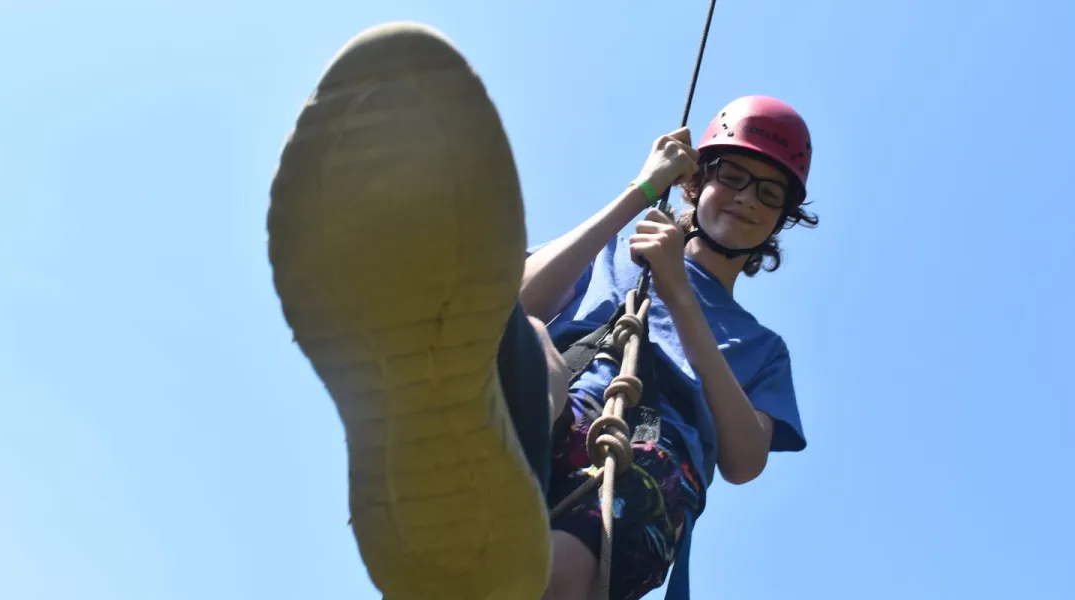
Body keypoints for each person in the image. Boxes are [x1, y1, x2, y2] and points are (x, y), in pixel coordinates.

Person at [266, 22, 815, 600]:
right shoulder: (614, 251)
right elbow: (511, 302)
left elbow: (744, 459)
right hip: (547, 409)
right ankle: (446, 461)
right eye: (732, 176)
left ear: (781, 219)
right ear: (696, 181)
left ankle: (459, 510)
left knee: (556, 574)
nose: (747, 198)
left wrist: (680, 292)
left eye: (769, 193)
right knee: (525, 338)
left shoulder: (762, 349)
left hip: (649, 456)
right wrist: (640, 192)